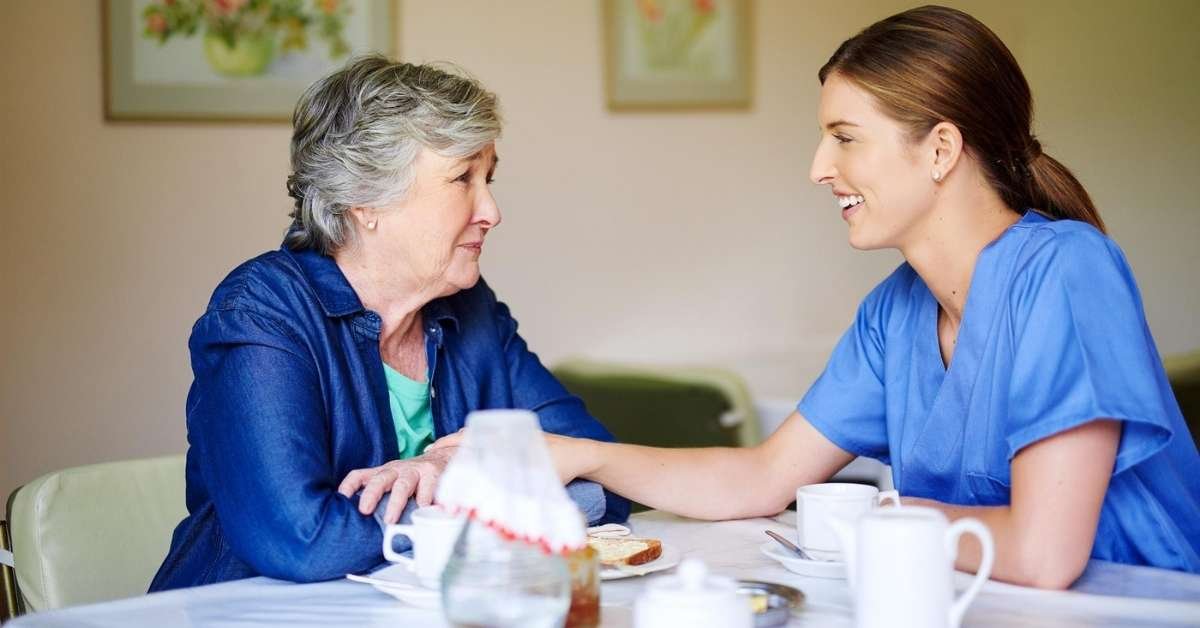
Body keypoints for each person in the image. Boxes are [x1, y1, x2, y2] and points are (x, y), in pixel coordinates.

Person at [433, 6, 1200, 588]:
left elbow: (1043, 554)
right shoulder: (895, 314)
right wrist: (582, 454)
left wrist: (890, 518)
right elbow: (761, 478)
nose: (818, 167)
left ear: (940, 149)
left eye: (845, 136)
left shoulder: (1066, 272)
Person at [150, 56, 629, 590]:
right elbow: (304, 542)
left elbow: (600, 484)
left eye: (488, 178)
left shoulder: (470, 310)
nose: (491, 211)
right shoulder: (262, 313)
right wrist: (490, 492)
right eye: (462, 178)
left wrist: (447, 477)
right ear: (365, 200)